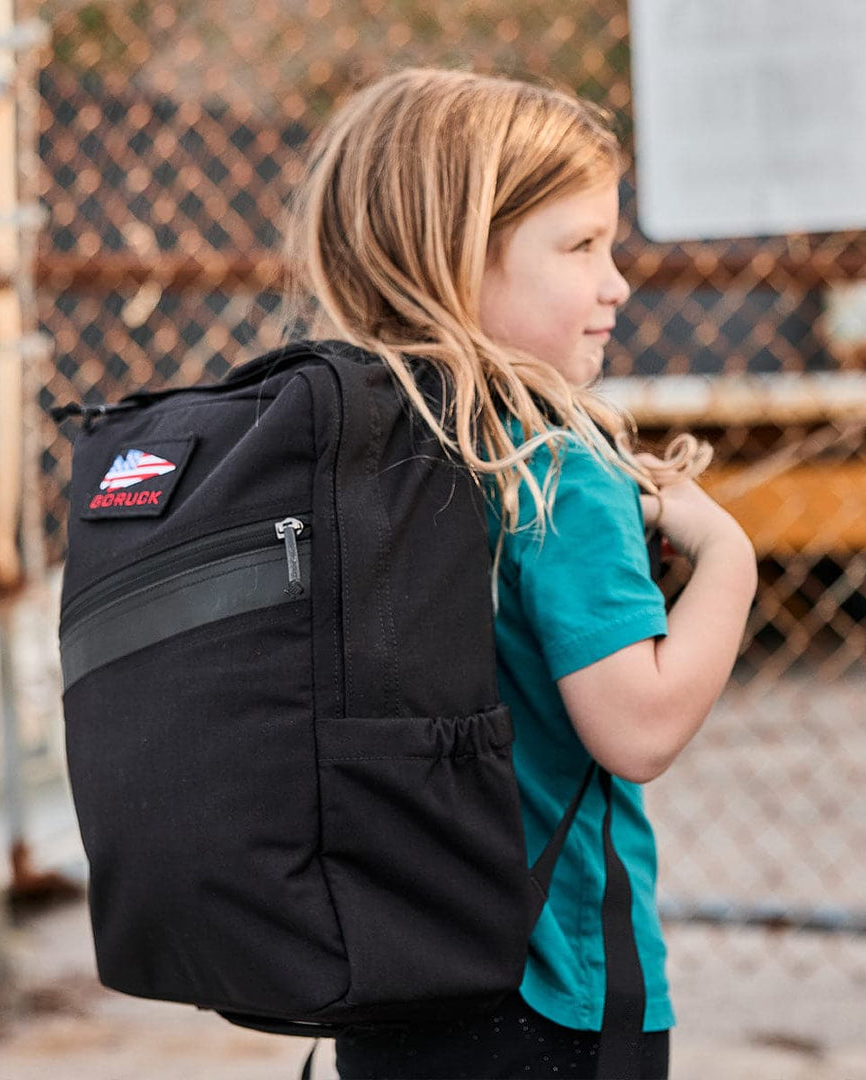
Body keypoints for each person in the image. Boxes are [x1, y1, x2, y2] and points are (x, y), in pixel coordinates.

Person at [279, 66, 758, 1080]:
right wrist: (730, 558)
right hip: (553, 993)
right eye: (581, 245)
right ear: (458, 261)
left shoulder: (342, 455)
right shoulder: (552, 469)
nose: (616, 282)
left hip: (386, 979)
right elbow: (638, 728)